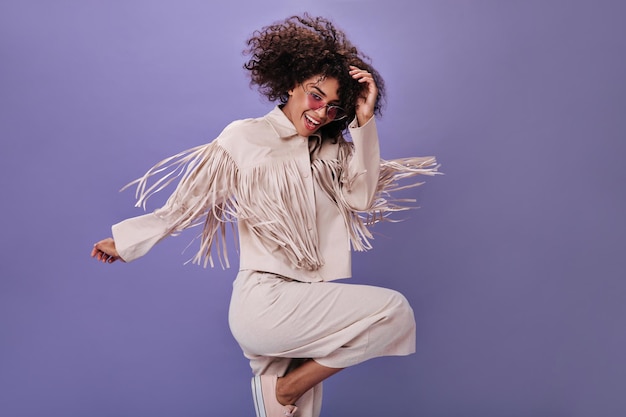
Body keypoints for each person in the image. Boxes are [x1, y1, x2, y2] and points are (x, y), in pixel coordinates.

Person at [91, 14, 439, 417]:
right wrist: (127, 242)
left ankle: (282, 393)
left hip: (308, 300)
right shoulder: (244, 136)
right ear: (291, 83)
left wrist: (363, 120)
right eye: (315, 95)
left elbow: (361, 198)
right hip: (266, 300)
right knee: (392, 311)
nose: (322, 112)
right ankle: (286, 389)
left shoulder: (333, 151)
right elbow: (187, 203)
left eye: (333, 107)